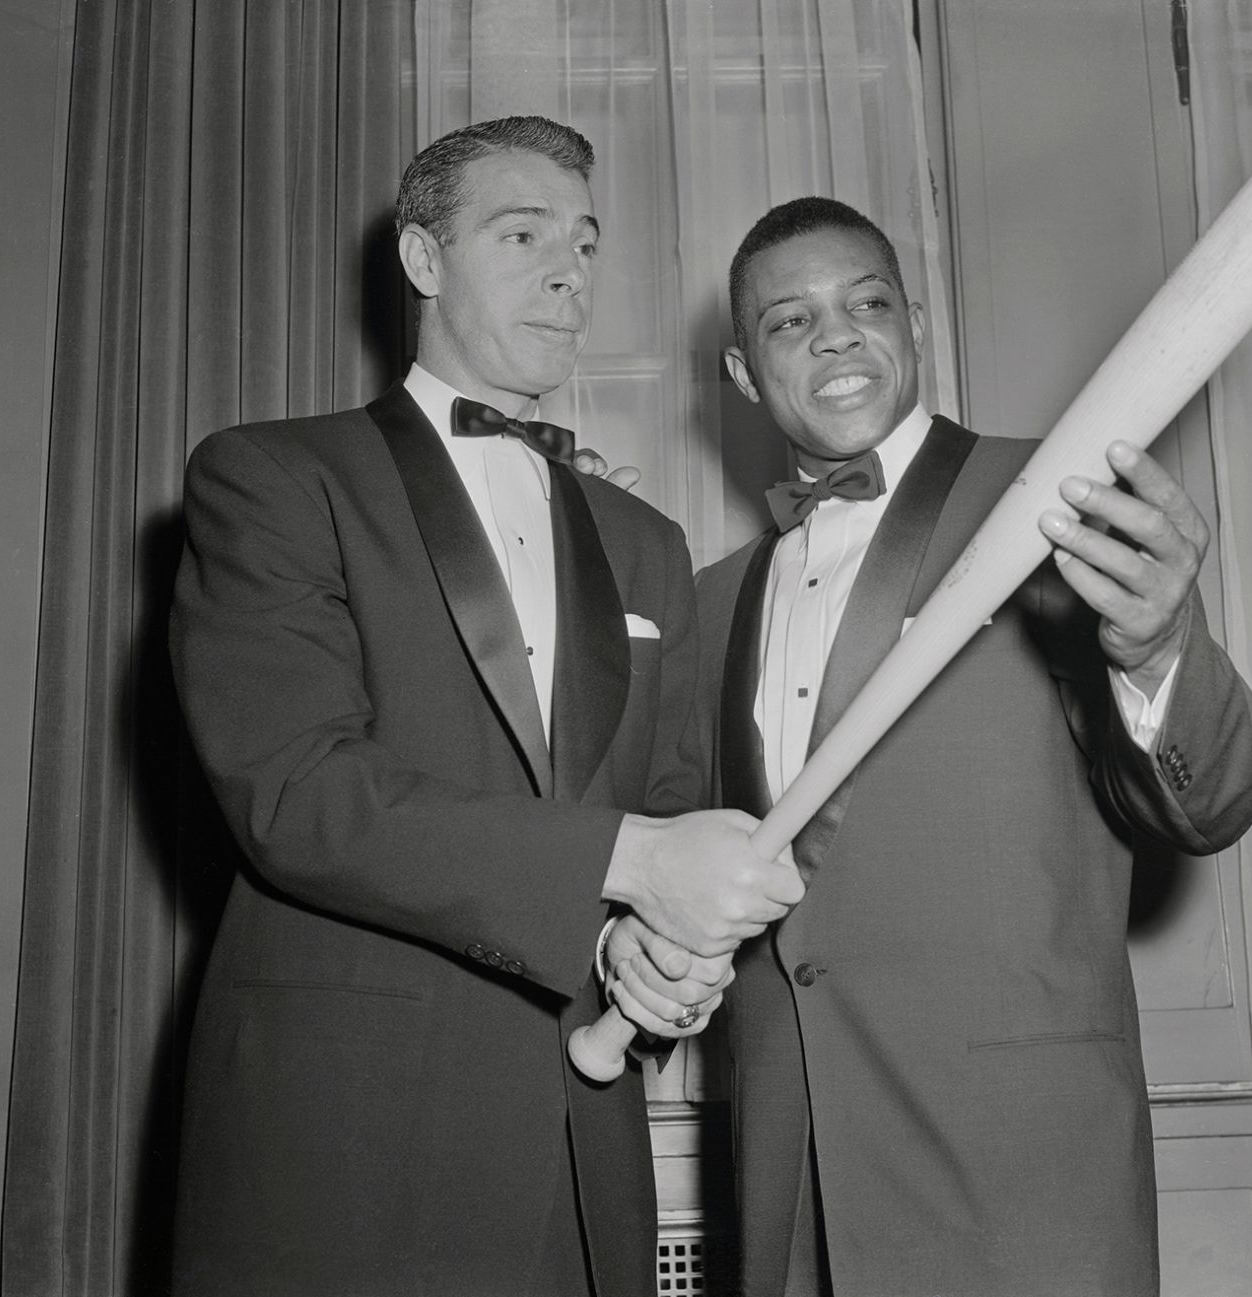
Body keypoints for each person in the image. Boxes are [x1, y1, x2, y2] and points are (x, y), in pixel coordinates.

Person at [167, 116, 801, 1297]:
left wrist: (650, 954)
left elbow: (663, 807)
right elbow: (299, 793)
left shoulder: (645, 541)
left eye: (586, 242)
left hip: (578, 1142)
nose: (570, 271)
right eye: (523, 235)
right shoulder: (272, 477)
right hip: (342, 1146)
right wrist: (628, 862)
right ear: (422, 261)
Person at [627, 196, 1252, 1296]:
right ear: (741, 374)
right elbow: (689, 875)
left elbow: (1207, 801)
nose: (835, 335)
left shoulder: (1065, 501)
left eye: (865, 302)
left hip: (1016, 1170)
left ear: (912, 324)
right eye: (790, 321)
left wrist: (1160, 644)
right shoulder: (713, 599)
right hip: (793, 1175)